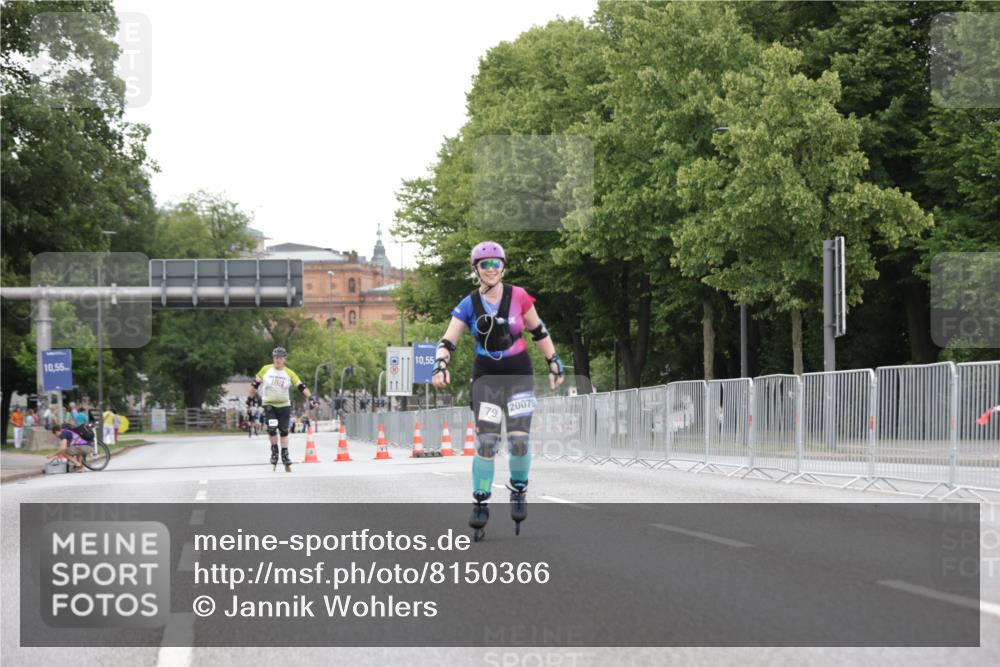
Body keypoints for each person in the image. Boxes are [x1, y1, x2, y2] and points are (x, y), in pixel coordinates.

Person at [432, 241, 565, 541]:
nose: (490, 269)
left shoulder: (518, 296)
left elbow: (539, 330)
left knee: (518, 440)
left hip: (518, 374)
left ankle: (518, 488)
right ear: (476, 269)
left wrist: (554, 361)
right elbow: (448, 340)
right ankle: (480, 501)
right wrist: (441, 365)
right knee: (487, 442)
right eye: (484, 265)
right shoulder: (468, 304)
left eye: (496, 264)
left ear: (503, 266)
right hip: (487, 379)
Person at [250, 347, 319, 471]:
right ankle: (274, 451)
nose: (278, 360)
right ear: (273, 358)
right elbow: (255, 384)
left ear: (284, 359)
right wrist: (250, 398)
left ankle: (285, 454)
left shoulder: (289, 372)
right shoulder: (266, 369)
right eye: (276, 358)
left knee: (283, 431)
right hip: (269, 404)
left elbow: (301, 386)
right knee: (272, 428)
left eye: (281, 358)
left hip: (284, 406)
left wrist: (311, 398)